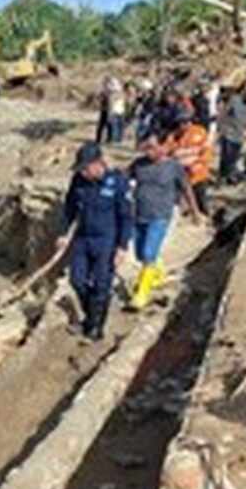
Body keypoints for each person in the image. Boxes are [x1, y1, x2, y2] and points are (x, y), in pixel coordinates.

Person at [58, 143, 134, 339]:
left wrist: (122, 247)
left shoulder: (117, 182)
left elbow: (126, 217)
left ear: (98, 164)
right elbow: (69, 209)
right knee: (77, 280)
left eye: (85, 168)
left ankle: (95, 328)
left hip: (106, 240)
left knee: (101, 284)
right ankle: (91, 317)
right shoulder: (78, 181)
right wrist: (64, 233)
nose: (82, 172)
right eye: (80, 168)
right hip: (82, 238)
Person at [127, 133, 195, 310]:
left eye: (151, 147)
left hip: (160, 216)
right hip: (139, 214)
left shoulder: (173, 167)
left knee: (149, 253)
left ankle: (141, 294)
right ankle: (156, 272)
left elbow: (186, 187)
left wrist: (195, 211)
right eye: (145, 149)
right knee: (140, 254)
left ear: (162, 146)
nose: (148, 152)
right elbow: (123, 179)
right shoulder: (139, 165)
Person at [164, 109, 212, 219]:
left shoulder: (200, 132)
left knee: (201, 199)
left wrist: (200, 163)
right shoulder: (173, 137)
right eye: (181, 123)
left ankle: (205, 219)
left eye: (187, 122)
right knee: (182, 199)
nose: (184, 125)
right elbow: (166, 153)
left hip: (199, 173)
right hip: (182, 175)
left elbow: (207, 151)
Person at [217, 80, 246, 184]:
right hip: (228, 133)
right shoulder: (234, 100)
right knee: (226, 157)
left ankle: (228, 176)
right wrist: (220, 128)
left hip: (239, 135)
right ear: (245, 93)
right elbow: (224, 113)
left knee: (234, 157)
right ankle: (225, 177)